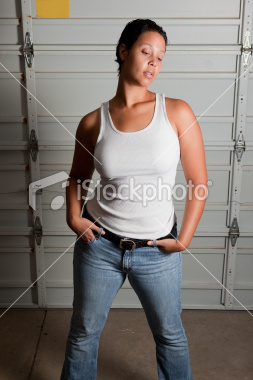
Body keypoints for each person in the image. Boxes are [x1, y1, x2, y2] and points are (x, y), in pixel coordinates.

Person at [60, 18, 207, 380]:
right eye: (146, 52)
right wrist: (74, 218)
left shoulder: (176, 112)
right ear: (124, 52)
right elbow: (78, 177)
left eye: (161, 57)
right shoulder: (94, 122)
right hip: (100, 247)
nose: (154, 63)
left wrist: (184, 237)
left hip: (157, 251)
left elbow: (198, 181)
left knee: (170, 336)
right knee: (83, 334)